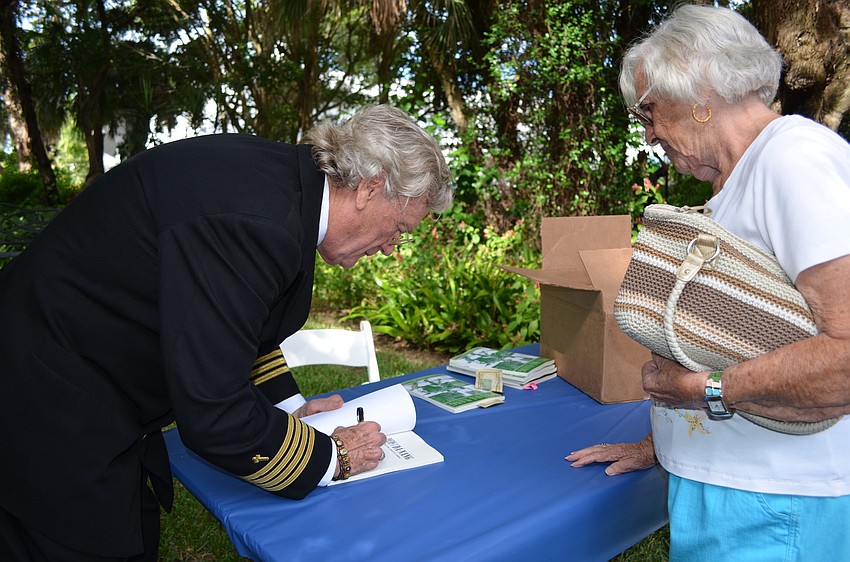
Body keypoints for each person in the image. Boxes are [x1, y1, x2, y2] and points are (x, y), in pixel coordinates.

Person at [0, 104, 453, 561]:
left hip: (80, 377)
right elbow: (214, 412)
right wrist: (333, 457)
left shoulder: (284, 193)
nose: (393, 248)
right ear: (369, 188)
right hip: (43, 397)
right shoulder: (258, 222)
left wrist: (292, 407)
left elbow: (236, 327)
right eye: (399, 229)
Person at [566, 4, 850, 561]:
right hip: (745, 492)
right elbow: (749, 339)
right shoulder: (744, 179)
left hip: (777, 499)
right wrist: (660, 442)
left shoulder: (794, 160)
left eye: (649, 112)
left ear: (699, 89)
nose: (647, 135)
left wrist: (703, 392)